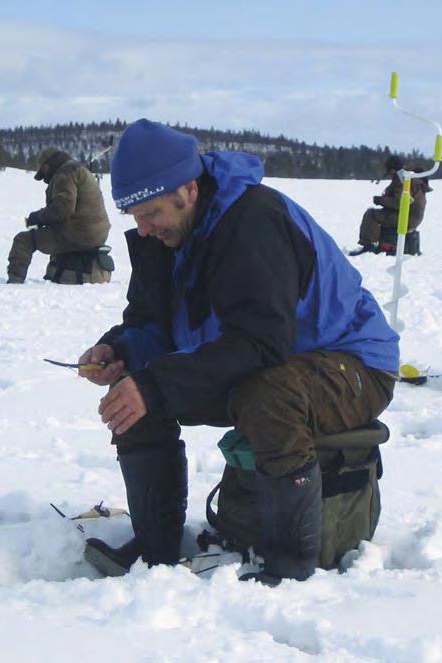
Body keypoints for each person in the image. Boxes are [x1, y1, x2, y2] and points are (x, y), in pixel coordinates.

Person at [76, 119, 399, 585]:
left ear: (187, 189)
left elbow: (261, 342)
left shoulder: (252, 222)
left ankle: (289, 564)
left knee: (266, 394)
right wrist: (121, 350)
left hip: (355, 364)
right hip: (270, 361)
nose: (143, 230)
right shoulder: (166, 236)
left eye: (150, 214)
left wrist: (155, 385)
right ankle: (155, 552)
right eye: (135, 218)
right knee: (138, 389)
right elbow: (152, 323)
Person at [6, 147, 112, 284]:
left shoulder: (64, 173)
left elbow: (63, 209)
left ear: (47, 165)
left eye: (43, 173)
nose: (44, 179)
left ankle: (14, 282)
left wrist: (37, 217)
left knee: (23, 240)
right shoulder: (78, 169)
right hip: (97, 233)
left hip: (79, 233)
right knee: (55, 236)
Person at [349, 154, 431, 256]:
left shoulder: (402, 181)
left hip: (407, 218)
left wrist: (381, 200)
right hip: (412, 217)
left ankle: (369, 245)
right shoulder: (408, 178)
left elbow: (399, 203)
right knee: (379, 214)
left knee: (371, 214)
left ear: (393, 170)